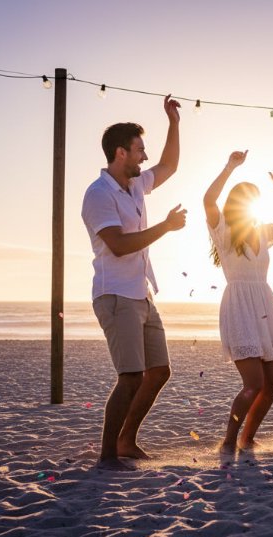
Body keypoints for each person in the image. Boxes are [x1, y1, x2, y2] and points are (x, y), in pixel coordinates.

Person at [81, 95, 185, 470]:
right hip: (115, 295)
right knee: (129, 377)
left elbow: (169, 165)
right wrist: (165, 227)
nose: (145, 157)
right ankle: (108, 455)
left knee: (159, 371)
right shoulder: (98, 194)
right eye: (140, 150)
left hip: (142, 293)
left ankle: (127, 440)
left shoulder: (136, 184)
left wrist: (173, 122)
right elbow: (120, 245)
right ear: (120, 152)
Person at [204, 150, 273, 459]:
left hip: (264, 306)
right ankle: (228, 441)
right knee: (253, 383)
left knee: (272, 383)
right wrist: (230, 166)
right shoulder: (222, 230)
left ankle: (247, 439)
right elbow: (208, 200)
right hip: (239, 306)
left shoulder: (263, 231)